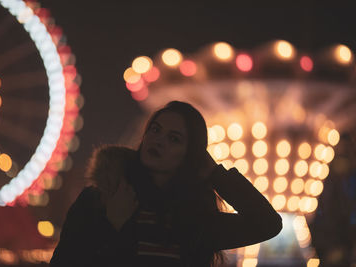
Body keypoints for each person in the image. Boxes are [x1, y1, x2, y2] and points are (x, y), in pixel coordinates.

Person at [50, 101, 282, 267]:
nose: (159, 141)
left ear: (190, 155)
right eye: (155, 130)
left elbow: (267, 224)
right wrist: (112, 227)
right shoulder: (99, 200)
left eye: (174, 139)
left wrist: (216, 173)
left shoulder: (195, 218)